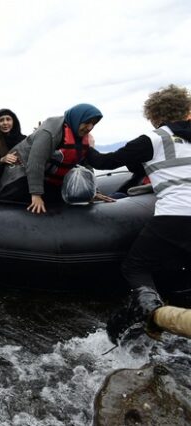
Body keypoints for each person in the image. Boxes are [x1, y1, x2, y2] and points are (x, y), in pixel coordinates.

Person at [83, 85, 191, 343]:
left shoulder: (152, 140)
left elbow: (103, 162)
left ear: (154, 115)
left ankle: (152, 318)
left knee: (135, 266)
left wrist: (88, 143)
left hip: (175, 214)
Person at [0, 103, 109, 213]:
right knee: (16, 193)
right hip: (20, 171)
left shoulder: (81, 135)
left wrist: (93, 191)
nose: (89, 127)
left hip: (47, 176)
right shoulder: (49, 131)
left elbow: (85, 164)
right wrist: (36, 194)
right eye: (87, 122)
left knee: (56, 198)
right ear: (77, 118)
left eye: (93, 123)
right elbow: (36, 162)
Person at [0, 109, 26, 186]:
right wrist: (1, 159)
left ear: (14, 122)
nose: (5, 123)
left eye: (8, 119)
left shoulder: (23, 139)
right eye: (1, 120)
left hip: (21, 180)